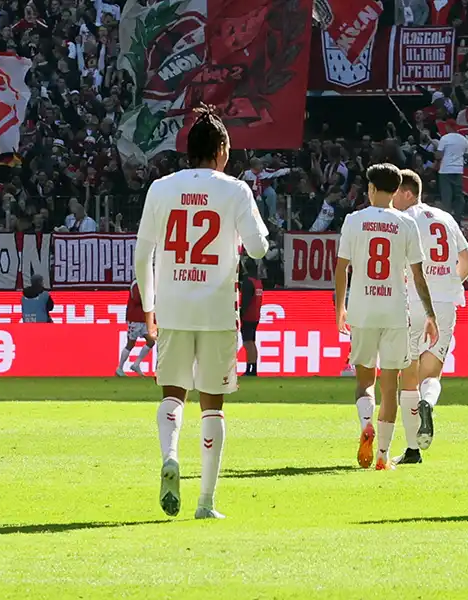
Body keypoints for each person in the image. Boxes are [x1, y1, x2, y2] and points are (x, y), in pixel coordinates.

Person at [134, 105, 270, 520]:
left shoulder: (161, 188)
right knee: (213, 405)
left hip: (173, 308)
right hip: (216, 312)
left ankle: (170, 456)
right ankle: (206, 502)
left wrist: (150, 309)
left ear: (189, 149)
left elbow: (143, 256)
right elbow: (260, 248)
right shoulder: (235, 190)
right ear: (222, 150)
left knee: (172, 392)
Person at [333, 163, 438, 471]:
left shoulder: (354, 220)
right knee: (390, 386)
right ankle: (382, 455)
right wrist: (430, 313)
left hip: (363, 311)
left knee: (365, 382)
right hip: (395, 311)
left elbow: (342, 268)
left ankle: (366, 424)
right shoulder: (406, 224)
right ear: (395, 191)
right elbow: (418, 274)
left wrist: (340, 308)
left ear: (371, 189)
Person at [390, 168, 468, 464]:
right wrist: (449, 284)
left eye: (395, 192)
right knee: (432, 373)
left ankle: (413, 449)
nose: (391, 198)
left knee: (408, 376)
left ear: (409, 193)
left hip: (412, 300)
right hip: (446, 302)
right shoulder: (446, 218)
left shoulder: (403, 219)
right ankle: (429, 403)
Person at [116, 279, 156, 377]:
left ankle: (136, 364)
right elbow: (137, 299)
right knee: (130, 344)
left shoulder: (150, 283)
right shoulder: (136, 283)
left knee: (151, 341)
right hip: (134, 318)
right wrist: (151, 298)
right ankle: (120, 368)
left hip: (145, 319)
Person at [435, 130, 468, 221]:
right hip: (458, 170)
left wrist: (435, 152)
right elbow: (466, 155)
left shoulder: (444, 138)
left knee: (446, 196)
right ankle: (458, 218)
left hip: (445, 170)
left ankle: (447, 220)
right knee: (459, 195)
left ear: (447, 127)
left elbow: (438, 156)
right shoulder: (464, 140)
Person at [239, 259, 263, 376]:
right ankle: (253, 368)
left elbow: (245, 300)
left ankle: (250, 368)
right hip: (256, 315)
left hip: (248, 316)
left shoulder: (248, 282)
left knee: (248, 343)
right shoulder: (258, 282)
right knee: (252, 342)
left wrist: (241, 314)